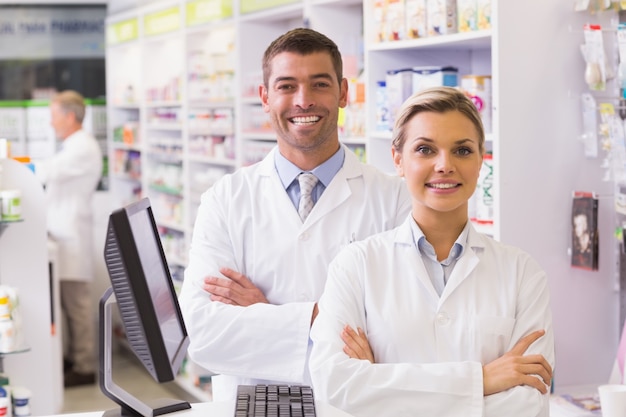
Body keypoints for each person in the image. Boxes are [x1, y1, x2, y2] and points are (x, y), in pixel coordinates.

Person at [178, 28, 411, 401]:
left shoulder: (395, 199)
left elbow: (401, 334)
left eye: (319, 84)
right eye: (286, 86)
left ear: (344, 93)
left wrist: (265, 314)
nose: (303, 101)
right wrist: (330, 322)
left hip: (355, 405)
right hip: (252, 402)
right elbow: (205, 336)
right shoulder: (226, 198)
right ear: (265, 97)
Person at [309, 86, 555, 417]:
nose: (444, 165)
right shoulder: (356, 266)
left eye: (462, 151)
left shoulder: (522, 273)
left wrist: (380, 383)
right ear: (398, 160)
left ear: (481, 161)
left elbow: (527, 402)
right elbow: (334, 384)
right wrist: (481, 379)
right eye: (425, 149)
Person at [34, 90, 102, 387]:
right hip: (64, 234)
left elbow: (46, 171)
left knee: (76, 305)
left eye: (54, 116)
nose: (51, 123)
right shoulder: (72, 146)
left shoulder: (82, 147)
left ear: (70, 116)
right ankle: (73, 358)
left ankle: (85, 366)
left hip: (72, 236)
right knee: (67, 304)